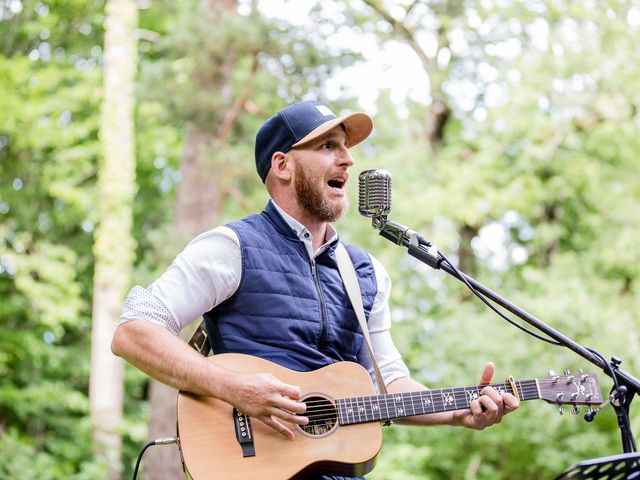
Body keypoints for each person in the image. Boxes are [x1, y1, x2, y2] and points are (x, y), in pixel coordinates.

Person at [112, 100, 519, 479]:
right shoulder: (230, 247)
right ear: (283, 165)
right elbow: (134, 332)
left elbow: (389, 382)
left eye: (345, 147)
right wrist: (236, 389)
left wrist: (457, 412)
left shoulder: (366, 271)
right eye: (328, 146)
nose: (348, 159)